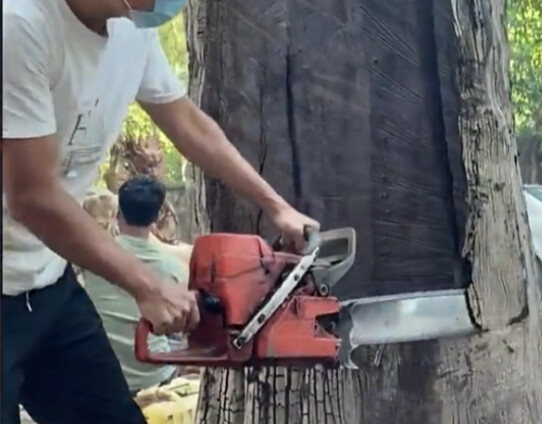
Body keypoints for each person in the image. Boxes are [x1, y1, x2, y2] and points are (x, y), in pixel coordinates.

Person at [1, 0, 320, 422]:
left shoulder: (130, 27)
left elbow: (186, 122)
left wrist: (276, 207)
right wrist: (147, 286)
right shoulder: (20, 25)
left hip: (44, 283)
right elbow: (32, 195)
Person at [83, 176, 189, 395]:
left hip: (108, 374)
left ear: (117, 212)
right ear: (158, 216)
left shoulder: (92, 257)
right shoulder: (175, 268)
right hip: (157, 375)